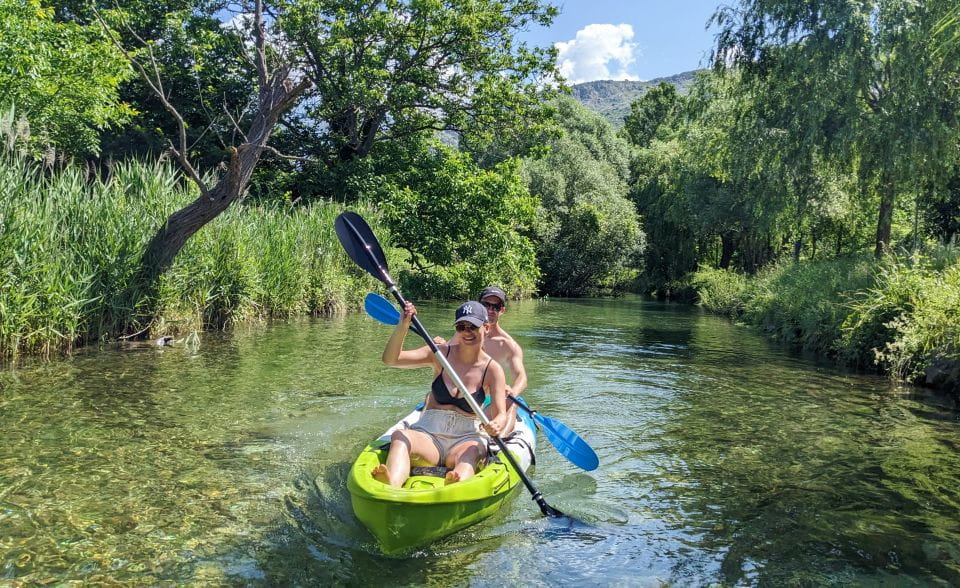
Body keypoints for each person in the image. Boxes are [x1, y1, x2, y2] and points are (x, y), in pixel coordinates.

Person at [373, 300, 509, 488]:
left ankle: (456, 483)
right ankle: (392, 483)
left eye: (473, 326)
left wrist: (496, 424)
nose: (467, 332)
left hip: (465, 438)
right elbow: (391, 359)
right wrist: (403, 325)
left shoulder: (493, 369)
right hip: (429, 434)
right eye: (461, 326)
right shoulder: (439, 354)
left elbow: (501, 414)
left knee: (472, 452)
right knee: (400, 436)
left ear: (486, 327)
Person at [445, 286, 528, 436]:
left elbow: (521, 377)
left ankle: (498, 440)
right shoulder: (463, 333)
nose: (490, 310)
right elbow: (446, 358)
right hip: (465, 395)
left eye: (495, 306)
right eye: (486, 305)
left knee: (513, 400)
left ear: (502, 310)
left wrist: (512, 391)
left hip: (491, 400)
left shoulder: (508, 345)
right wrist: (440, 344)